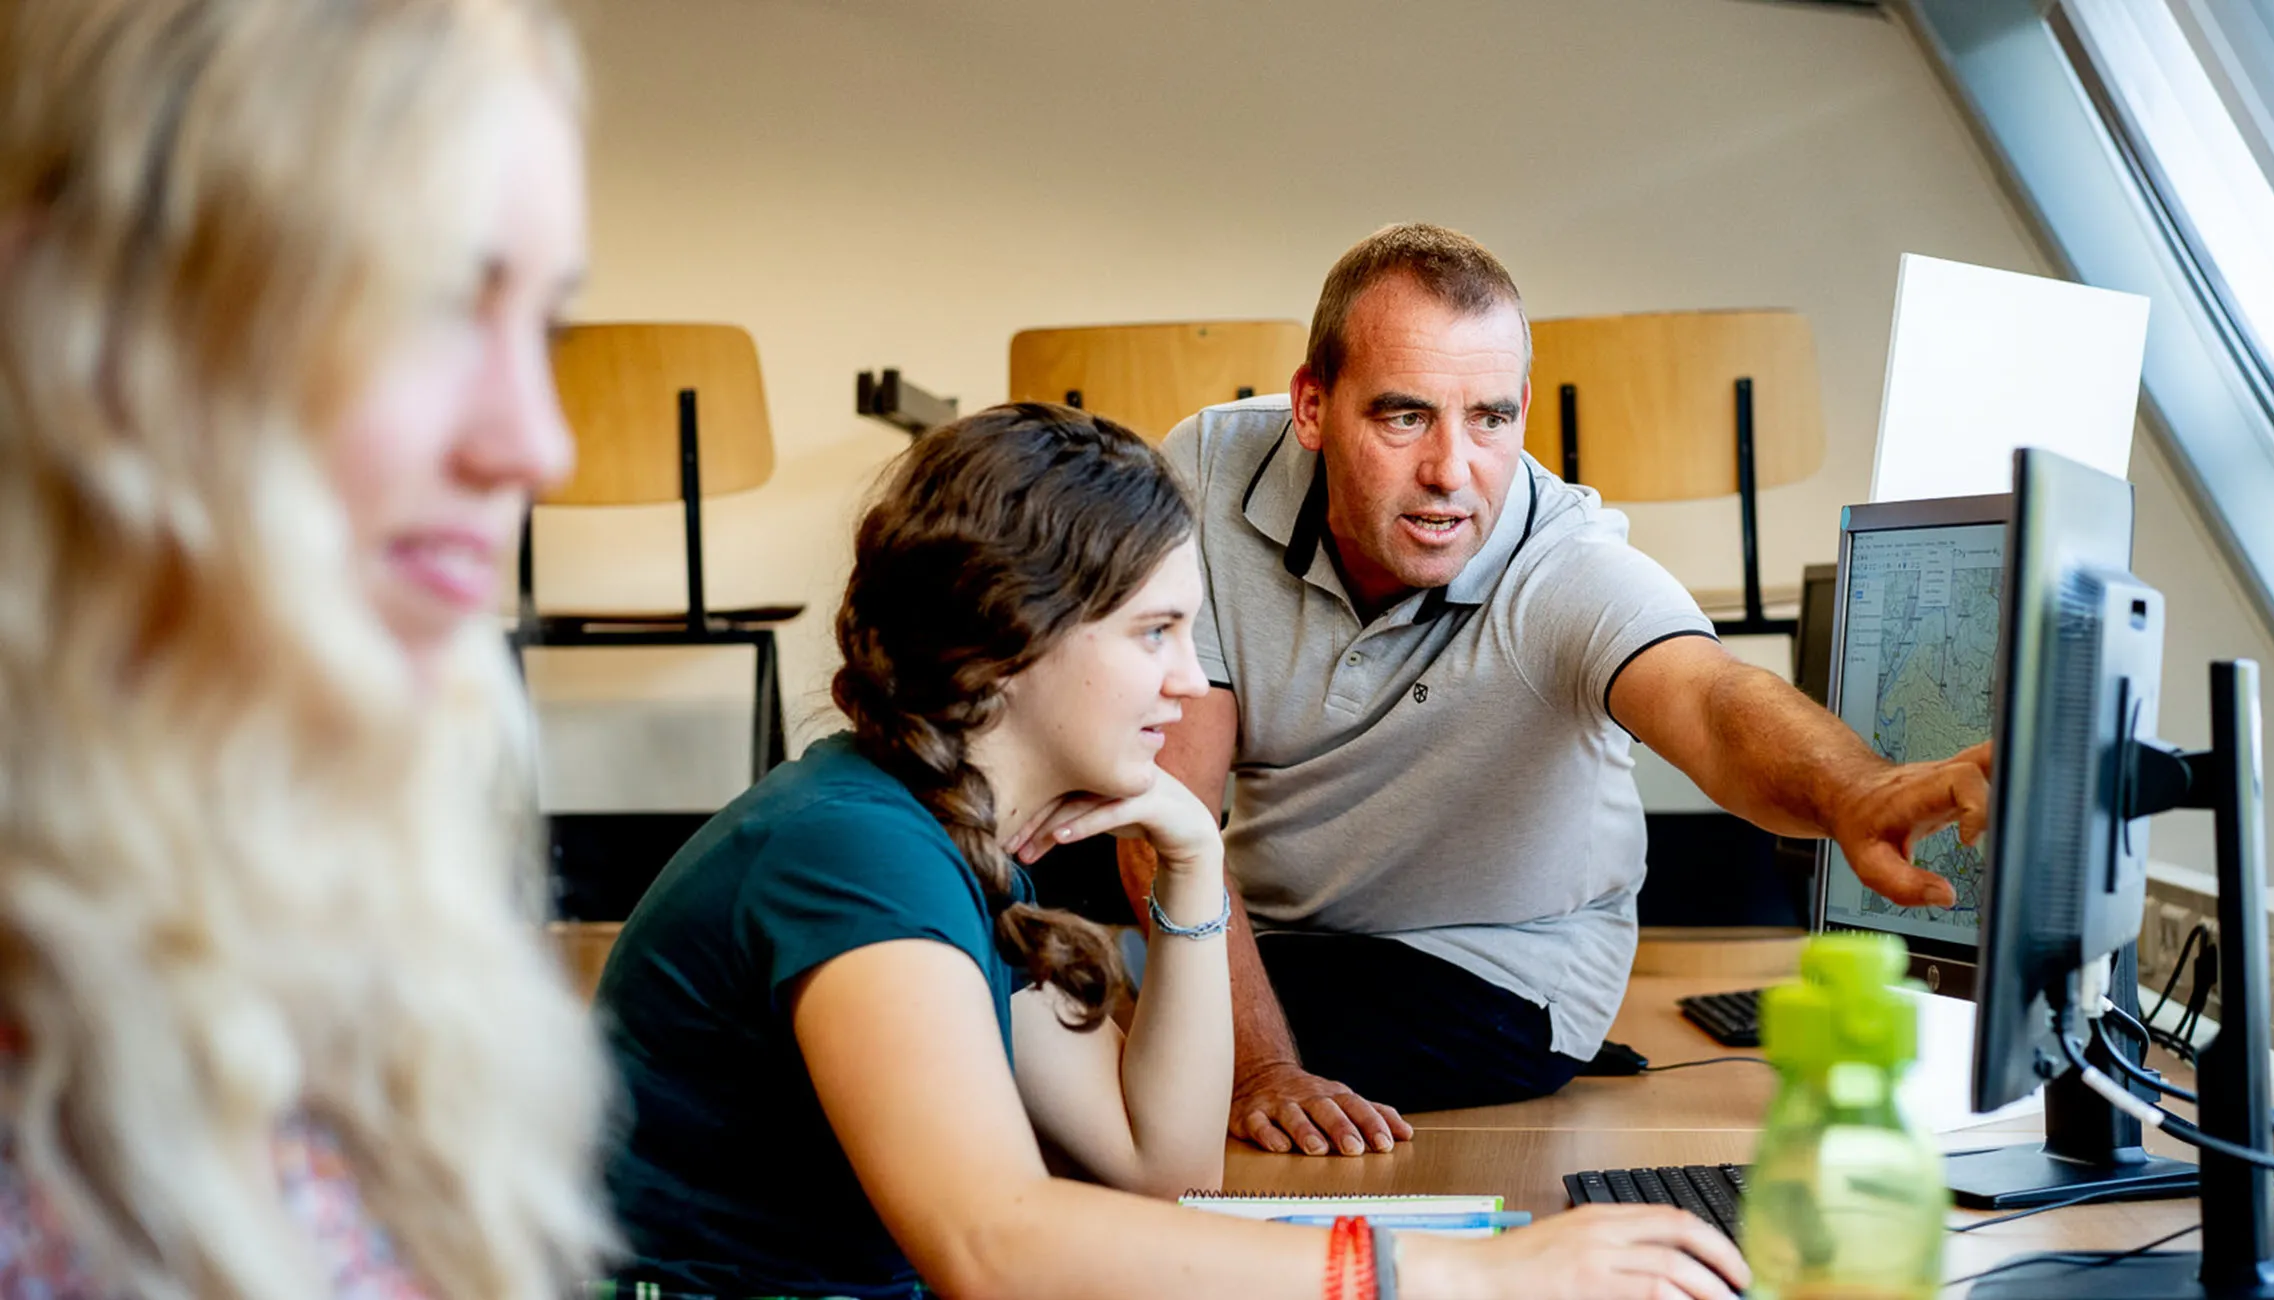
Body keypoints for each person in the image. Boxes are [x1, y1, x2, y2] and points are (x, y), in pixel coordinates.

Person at [594, 403, 1750, 1300]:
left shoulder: (939, 840)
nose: (1189, 681)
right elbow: (991, 1244)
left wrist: (1193, 862)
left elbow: (1161, 1157)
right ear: (1010, 638)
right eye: (1153, 631)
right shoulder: (849, 854)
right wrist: (1462, 1274)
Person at [1124, 223, 1993, 1158]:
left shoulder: (1560, 561)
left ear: (1523, 412)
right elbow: (1165, 818)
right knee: (1040, 959)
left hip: (1488, 969)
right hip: (1284, 935)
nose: (1451, 472)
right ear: (1311, 406)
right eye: (1404, 415)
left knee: (1080, 1029)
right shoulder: (1213, 469)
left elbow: (1712, 700)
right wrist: (1254, 1061)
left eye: (1491, 418)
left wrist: (1855, 789)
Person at [0, 1, 612, 1296]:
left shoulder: (351, 870)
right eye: (441, 301)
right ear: (116, 332)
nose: (538, 443)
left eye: (546, 326)